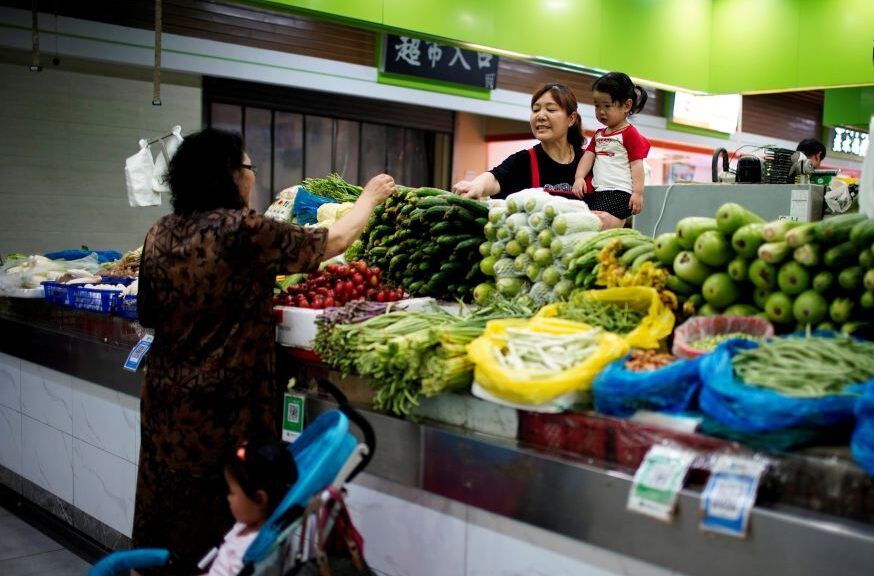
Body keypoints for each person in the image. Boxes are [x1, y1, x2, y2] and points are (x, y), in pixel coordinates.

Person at [132, 127, 395, 574]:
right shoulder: (243, 230)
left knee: (166, 511)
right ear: (231, 175)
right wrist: (369, 197)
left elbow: (148, 312)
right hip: (223, 411)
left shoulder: (160, 232)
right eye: (249, 166)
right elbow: (331, 242)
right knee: (224, 517)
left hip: (165, 405)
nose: (252, 176)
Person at [453, 83, 584, 200]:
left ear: (571, 119)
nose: (540, 116)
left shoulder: (589, 161)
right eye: (536, 110)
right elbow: (495, 179)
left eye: (551, 109)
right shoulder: (523, 161)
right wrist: (476, 186)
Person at [201, 442, 298, 576]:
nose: (228, 498)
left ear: (259, 498)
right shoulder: (246, 525)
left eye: (232, 492)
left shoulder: (251, 553)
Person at [572, 72, 651, 229]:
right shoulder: (599, 135)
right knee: (593, 225)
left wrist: (638, 193)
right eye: (597, 106)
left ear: (626, 106)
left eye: (607, 106)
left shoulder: (630, 134)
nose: (601, 111)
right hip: (599, 192)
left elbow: (637, 165)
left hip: (620, 192)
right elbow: (588, 157)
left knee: (602, 225)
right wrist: (579, 177)